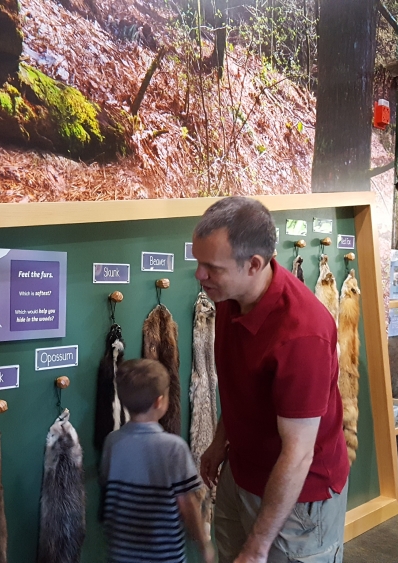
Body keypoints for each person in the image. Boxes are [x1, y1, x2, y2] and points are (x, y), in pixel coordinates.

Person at [191, 196, 350, 563]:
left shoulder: (302, 333)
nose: (200, 275)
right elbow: (239, 385)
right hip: (242, 470)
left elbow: (298, 453)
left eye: (211, 267)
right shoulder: (228, 298)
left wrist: (259, 545)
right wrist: (220, 441)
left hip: (299, 494)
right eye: (198, 263)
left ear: (254, 264)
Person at [99, 358, 215, 563]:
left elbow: (106, 485)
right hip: (164, 556)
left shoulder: (112, 442)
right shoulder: (174, 448)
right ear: (159, 401)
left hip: (120, 554)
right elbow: (187, 503)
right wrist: (203, 543)